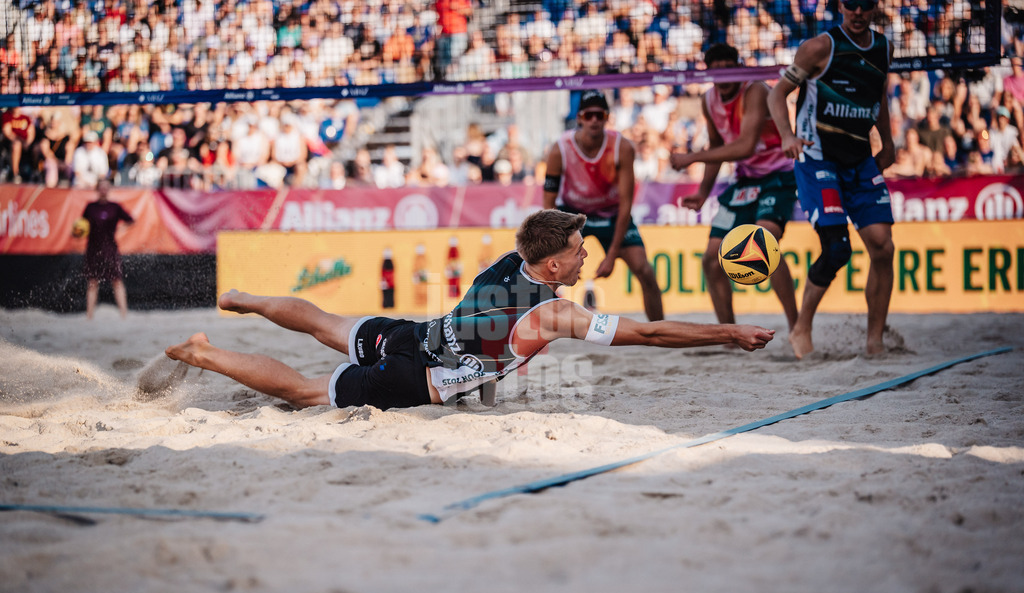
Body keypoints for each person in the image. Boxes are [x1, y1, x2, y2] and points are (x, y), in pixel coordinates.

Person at [165, 210, 775, 410]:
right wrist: (728, 332)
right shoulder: (553, 314)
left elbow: (541, 235)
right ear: (555, 266)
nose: (586, 253)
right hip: (414, 377)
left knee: (325, 321)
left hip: (416, 332)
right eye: (578, 249)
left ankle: (241, 298)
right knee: (304, 392)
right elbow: (648, 333)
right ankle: (204, 353)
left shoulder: (508, 263)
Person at [767, 0, 896, 358]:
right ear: (839, 6)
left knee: (883, 247)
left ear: (874, 8)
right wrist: (786, 135)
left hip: (860, 160)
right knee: (837, 248)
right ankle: (802, 327)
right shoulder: (819, 47)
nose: (858, 12)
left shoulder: (884, 46)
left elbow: (878, 94)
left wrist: (888, 141)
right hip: (817, 157)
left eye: (865, 5)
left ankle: (874, 342)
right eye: (851, 4)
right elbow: (777, 94)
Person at [670, 43, 799, 334]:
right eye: (718, 71)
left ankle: (797, 328)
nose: (724, 76)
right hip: (745, 180)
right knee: (711, 260)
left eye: (730, 69)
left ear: (739, 68)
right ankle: (730, 335)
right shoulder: (708, 100)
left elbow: (744, 146)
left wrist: (691, 157)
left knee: (765, 245)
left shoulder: (756, 91)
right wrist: (703, 192)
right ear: (709, 73)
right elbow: (718, 146)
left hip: (778, 175)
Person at [543, 90, 664, 321]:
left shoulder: (622, 147)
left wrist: (613, 254)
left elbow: (627, 202)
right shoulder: (560, 148)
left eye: (599, 115)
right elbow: (548, 203)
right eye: (589, 115)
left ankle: (660, 330)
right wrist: (554, 246)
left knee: (645, 270)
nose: (595, 120)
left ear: (607, 117)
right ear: (579, 118)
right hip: (572, 215)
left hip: (612, 213)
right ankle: (540, 325)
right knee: (547, 270)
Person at [80, 179, 135, 320]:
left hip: (110, 248)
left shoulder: (114, 207)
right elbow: (81, 225)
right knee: (92, 281)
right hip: (93, 248)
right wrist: (77, 232)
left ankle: (124, 314)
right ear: (97, 189)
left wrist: (120, 229)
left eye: (106, 187)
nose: (103, 190)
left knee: (117, 280)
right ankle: (89, 316)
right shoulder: (90, 207)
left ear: (109, 189)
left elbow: (131, 220)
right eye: (101, 187)